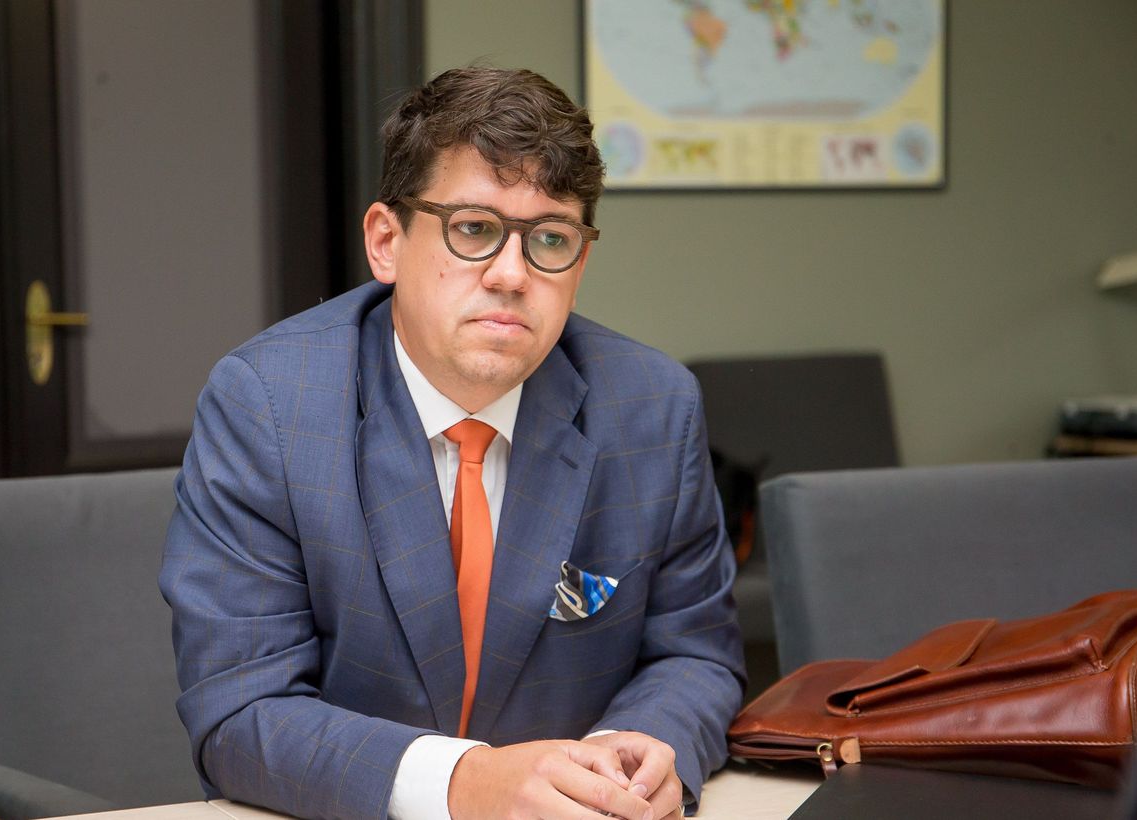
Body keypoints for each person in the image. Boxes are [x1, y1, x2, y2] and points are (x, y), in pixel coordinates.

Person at [160, 66, 745, 820]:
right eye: (473, 229)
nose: (512, 274)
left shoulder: (653, 407)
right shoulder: (270, 405)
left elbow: (695, 654)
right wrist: (464, 782)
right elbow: (240, 712)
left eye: (551, 239)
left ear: (581, 263)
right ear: (386, 241)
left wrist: (631, 751)